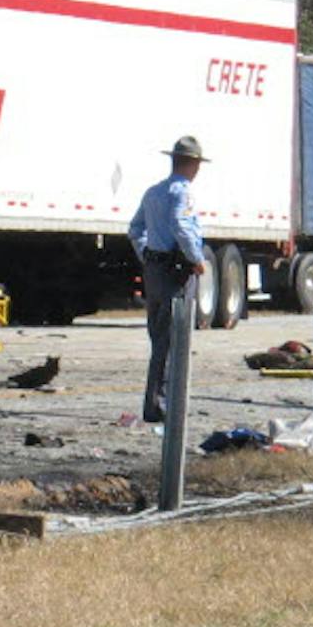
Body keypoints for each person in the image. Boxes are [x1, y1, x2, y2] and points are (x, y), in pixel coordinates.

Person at [126, 135, 209, 425]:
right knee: (174, 339)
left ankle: (156, 402)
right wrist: (196, 258)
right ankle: (164, 405)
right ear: (193, 164)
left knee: (159, 338)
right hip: (176, 271)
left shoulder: (153, 192)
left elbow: (135, 228)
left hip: (155, 269)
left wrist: (147, 255)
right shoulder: (181, 192)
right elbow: (181, 225)